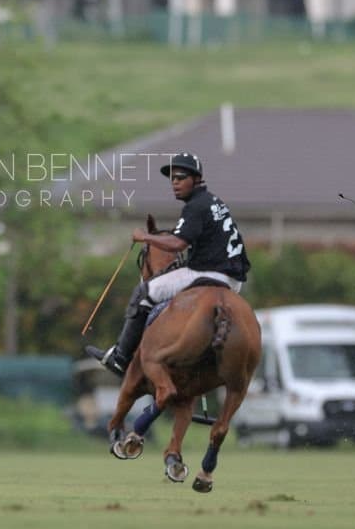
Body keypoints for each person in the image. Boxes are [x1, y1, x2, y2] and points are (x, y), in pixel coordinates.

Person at [85, 152, 250, 377]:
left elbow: (177, 244)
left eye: (181, 177)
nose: (175, 183)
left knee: (143, 292)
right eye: (172, 178)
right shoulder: (214, 202)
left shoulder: (195, 206)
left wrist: (145, 237)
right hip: (234, 281)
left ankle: (120, 358)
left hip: (210, 274)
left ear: (197, 179)